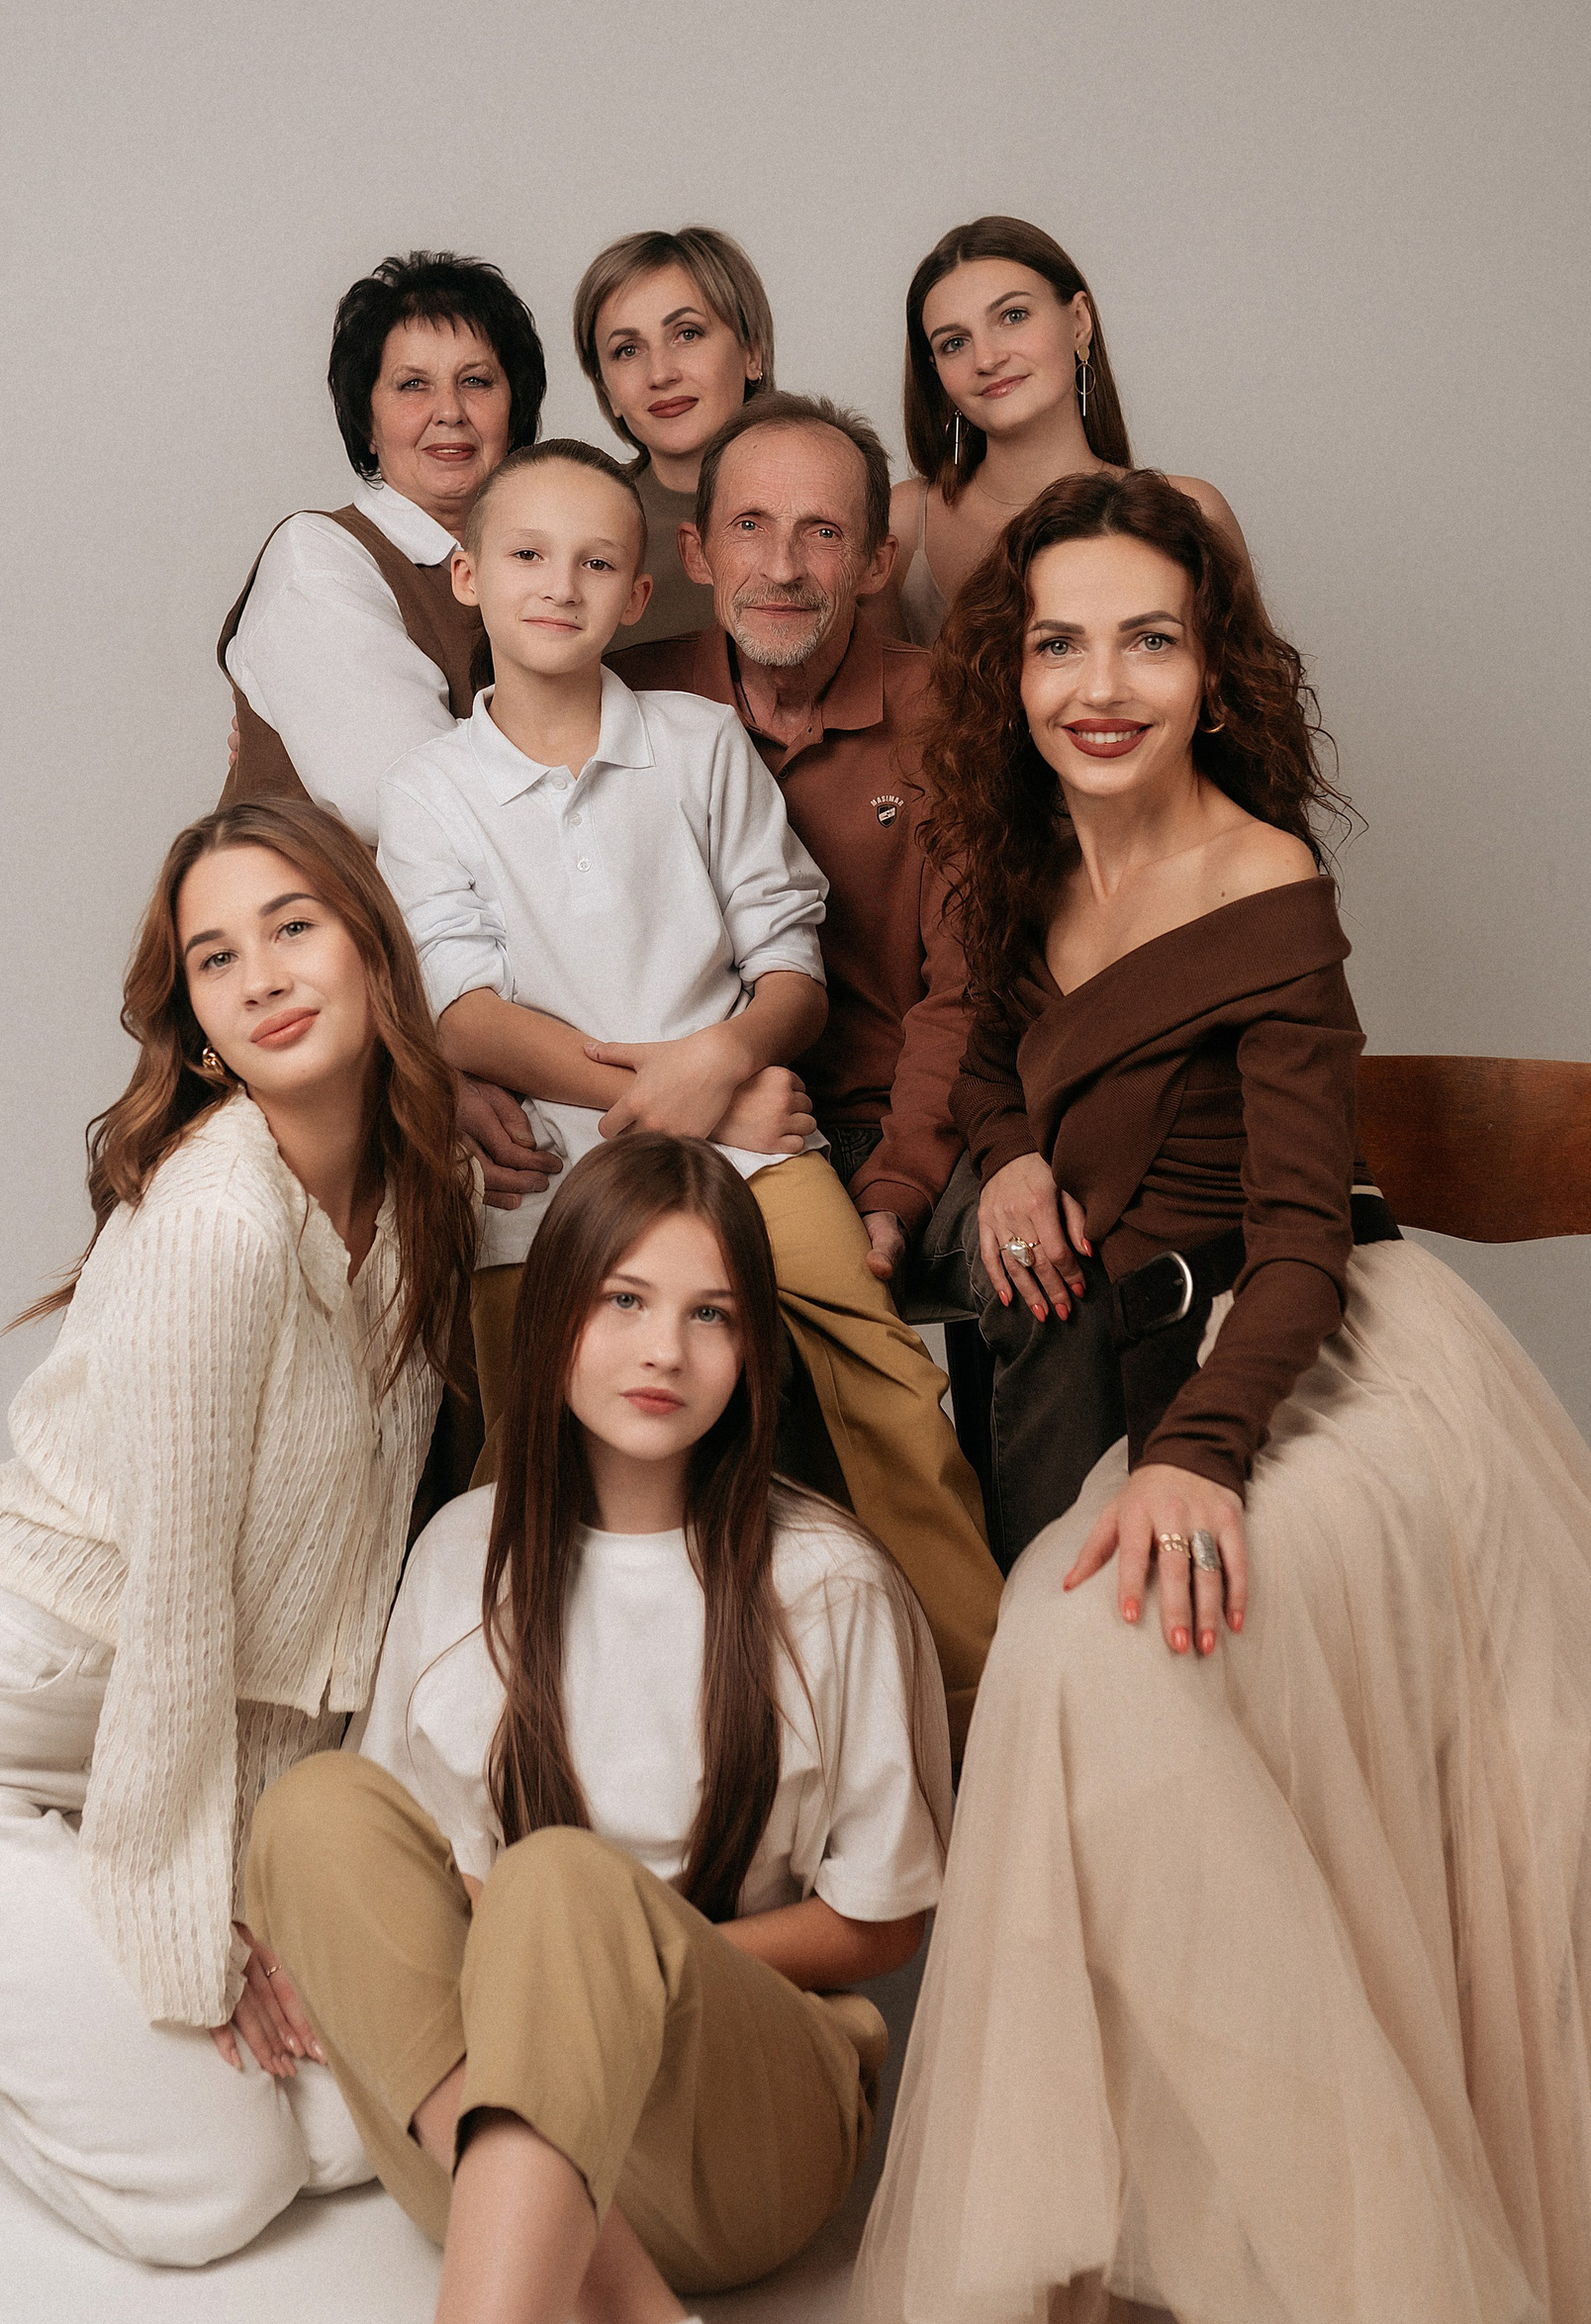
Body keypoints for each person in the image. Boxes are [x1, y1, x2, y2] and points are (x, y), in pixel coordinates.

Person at [852, 474, 1591, 2324]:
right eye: (1060, 642)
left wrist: (1194, 1458)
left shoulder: (1264, 882)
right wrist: (1014, 1155)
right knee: (1076, 1652)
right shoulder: (1022, 851)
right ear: (1014, 670)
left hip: (1320, 1361)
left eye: (1149, 641)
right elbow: (1002, 1056)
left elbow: (1304, 1243)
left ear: (1212, 670)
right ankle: (1161, 2224)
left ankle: (1343, 2245)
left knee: (1091, 1640)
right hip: (1157, 1359)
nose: (1100, 685)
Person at [0, 800, 479, 2265]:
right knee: (219, 2185)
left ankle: (27, 1939)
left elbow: (332, 1604)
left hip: (129, 1752)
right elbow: (184, 1617)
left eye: (293, 926)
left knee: (348, 2128)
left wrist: (272, 1886)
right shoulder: (221, 1222)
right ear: (198, 1027)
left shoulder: (416, 1193)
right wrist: (196, 1929)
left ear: (372, 947)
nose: (262, 976)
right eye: (216, 957)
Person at [240, 1134, 952, 2324]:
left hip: (739, 2147)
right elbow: (421, 1877)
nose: (664, 1348)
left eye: (710, 1313)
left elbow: (884, 1918)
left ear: (752, 1348)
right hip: (489, 2134)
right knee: (310, 1810)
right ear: (557, 1309)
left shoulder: (829, 1582)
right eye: (625, 1299)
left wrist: (631, 1967)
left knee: (561, 1883)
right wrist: (545, 1971)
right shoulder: (463, 1552)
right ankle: (620, 2297)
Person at [376, 439, 1000, 1757]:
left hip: (758, 1160)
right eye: (528, 556)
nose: (561, 585)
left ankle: (983, 1709)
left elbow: (792, 966)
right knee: (521, 1448)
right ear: (468, 574)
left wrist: (724, 1069)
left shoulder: (699, 741)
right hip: (548, 1176)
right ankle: (508, 1742)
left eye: (597, 561)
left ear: (643, 587)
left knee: (892, 1393)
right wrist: (693, 1092)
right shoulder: (429, 790)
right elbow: (462, 1013)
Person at [219, 245, 559, 1214]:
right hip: (326, 1024)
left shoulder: (538, 564)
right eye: (412, 384)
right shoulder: (321, 557)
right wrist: (438, 1063)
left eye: (477, 381)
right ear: (366, 416)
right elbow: (414, 806)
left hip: (469, 1019)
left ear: (517, 406)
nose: (448, 412)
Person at [884, 214, 1245, 644]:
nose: (986, 359)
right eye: (954, 343)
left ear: (1078, 321)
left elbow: (1250, 683)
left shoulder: (1194, 510)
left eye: (1013, 315)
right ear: (936, 371)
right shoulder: (903, 521)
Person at [571, 224, 776, 649]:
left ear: (752, 352)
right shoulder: (578, 525)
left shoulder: (833, 504)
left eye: (687, 334)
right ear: (607, 390)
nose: (661, 374)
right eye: (628, 350)